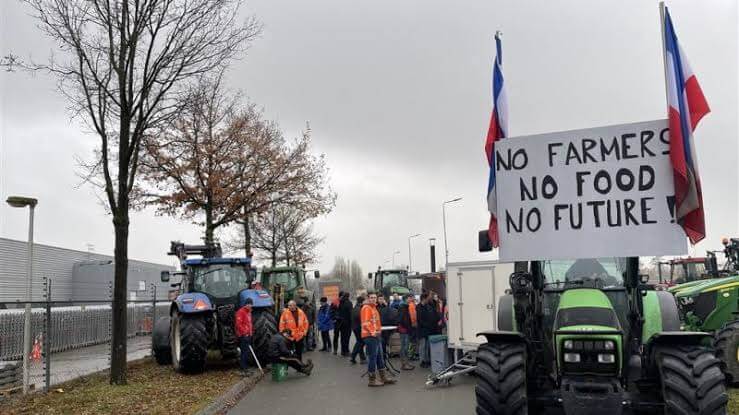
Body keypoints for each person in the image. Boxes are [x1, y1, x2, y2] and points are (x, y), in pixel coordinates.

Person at [361, 291, 396, 387]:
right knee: (373, 358)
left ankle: (383, 377)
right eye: (371, 297)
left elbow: (376, 323)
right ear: (368, 298)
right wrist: (374, 332)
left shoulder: (374, 308)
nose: (373, 299)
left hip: (376, 336)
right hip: (370, 336)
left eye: (374, 297)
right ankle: (371, 380)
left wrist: (378, 331)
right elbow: (366, 323)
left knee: (380, 357)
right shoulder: (366, 308)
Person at [417, 292, 440, 368]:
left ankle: (426, 360)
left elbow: (430, 316)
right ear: (424, 299)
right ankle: (422, 361)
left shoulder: (427, 306)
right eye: (427, 299)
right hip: (422, 330)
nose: (428, 300)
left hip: (427, 330)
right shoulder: (419, 307)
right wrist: (427, 324)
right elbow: (420, 319)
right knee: (422, 346)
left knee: (427, 346)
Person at [235, 297, 254, 376]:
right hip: (243, 335)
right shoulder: (240, 312)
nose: (249, 306)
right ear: (245, 304)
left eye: (250, 304)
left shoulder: (249, 312)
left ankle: (246, 367)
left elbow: (249, 323)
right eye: (248, 304)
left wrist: (251, 332)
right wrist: (244, 333)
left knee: (247, 352)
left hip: (248, 334)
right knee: (244, 352)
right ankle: (243, 368)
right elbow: (239, 324)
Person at [397, 294, 416, 370]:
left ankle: (406, 363)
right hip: (404, 330)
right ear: (405, 299)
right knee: (404, 347)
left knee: (405, 347)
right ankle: (404, 364)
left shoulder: (405, 306)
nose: (411, 299)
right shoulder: (403, 307)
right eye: (409, 298)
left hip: (405, 329)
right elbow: (402, 319)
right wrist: (408, 327)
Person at [350, 296, 367, 364]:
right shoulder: (359, 309)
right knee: (360, 342)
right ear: (362, 301)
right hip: (358, 328)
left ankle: (362, 358)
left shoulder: (355, 307)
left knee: (360, 342)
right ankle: (353, 356)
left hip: (355, 327)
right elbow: (360, 318)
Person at [337, 292, 353, 356]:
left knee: (342, 337)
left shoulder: (340, 302)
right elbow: (350, 314)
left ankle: (343, 351)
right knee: (347, 338)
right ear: (348, 296)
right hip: (347, 323)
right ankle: (346, 351)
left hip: (341, 323)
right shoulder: (349, 303)